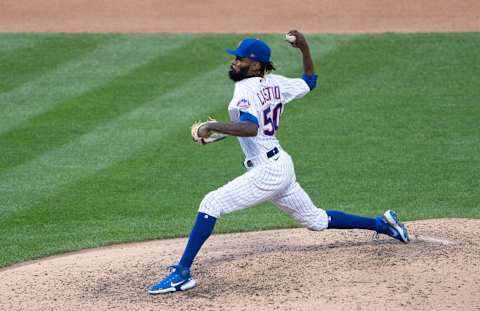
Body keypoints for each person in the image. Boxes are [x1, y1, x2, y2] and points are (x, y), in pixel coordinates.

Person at [148, 30, 409, 295]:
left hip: (269, 170)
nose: (235, 63)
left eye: (241, 60)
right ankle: (383, 223)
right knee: (316, 220)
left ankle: (182, 273)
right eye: (236, 58)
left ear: (256, 65)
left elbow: (250, 128)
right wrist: (305, 48)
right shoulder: (277, 83)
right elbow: (310, 81)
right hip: (280, 164)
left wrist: (210, 125)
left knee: (211, 203)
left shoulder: (244, 89)